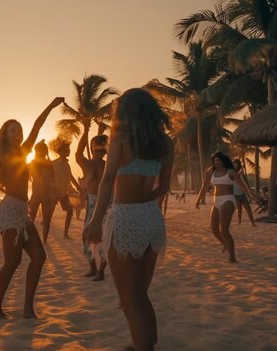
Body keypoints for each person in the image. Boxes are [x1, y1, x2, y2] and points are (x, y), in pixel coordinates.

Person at [85, 89, 174, 350]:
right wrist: (146, 200)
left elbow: (108, 179)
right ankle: (147, 343)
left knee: (129, 300)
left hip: (125, 218)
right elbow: (164, 186)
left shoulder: (120, 138)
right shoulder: (165, 143)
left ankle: (143, 346)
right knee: (140, 294)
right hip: (152, 219)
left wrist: (96, 220)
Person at [0, 97, 64, 319]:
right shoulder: (5, 156)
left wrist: (51, 106)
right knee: (12, 262)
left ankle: (27, 309)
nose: (17, 134)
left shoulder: (22, 151)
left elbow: (36, 126)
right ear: (5, 136)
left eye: (19, 131)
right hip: (10, 213)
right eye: (12, 131)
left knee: (39, 257)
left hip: (21, 213)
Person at [196, 152, 255, 263]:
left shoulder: (231, 172)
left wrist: (250, 195)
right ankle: (226, 245)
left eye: (219, 160)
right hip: (216, 201)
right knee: (214, 229)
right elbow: (204, 186)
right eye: (215, 160)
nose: (217, 162)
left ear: (223, 161)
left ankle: (232, 257)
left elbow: (242, 184)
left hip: (228, 200)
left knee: (224, 230)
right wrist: (198, 200)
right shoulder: (210, 172)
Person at [76, 124, 109, 281]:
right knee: (86, 236)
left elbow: (78, 153)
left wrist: (87, 130)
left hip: (106, 203)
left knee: (105, 237)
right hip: (92, 203)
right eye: (99, 146)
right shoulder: (88, 164)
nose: (102, 149)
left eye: (104, 147)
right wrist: (86, 130)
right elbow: (78, 152)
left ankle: (100, 270)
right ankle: (93, 268)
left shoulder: (107, 164)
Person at [50, 141, 82, 240]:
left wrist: (78, 187)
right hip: (54, 193)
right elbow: (48, 176)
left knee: (70, 210)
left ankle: (65, 234)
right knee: (48, 214)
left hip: (63, 193)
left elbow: (70, 177)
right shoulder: (54, 163)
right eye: (66, 150)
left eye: (68, 150)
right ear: (60, 152)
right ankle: (45, 235)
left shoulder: (67, 165)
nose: (68, 151)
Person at [27, 140, 56, 244]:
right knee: (31, 218)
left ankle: (44, 240)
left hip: (46, 193)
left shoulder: (49, 163)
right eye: (39, 150)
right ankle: (31, 239)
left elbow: (52, 178)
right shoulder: (33, 163)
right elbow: (31, 176)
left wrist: (51, 184)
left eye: (43, 151)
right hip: (37, 193)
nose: (41, 152)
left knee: (46, 218)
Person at [233, 159, 256, 226]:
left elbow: (245, 183)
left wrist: (249, 193)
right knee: (239, 210)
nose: (235, 165)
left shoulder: (241, 172)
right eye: (234, 163)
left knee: (248, 209)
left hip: (242, 194)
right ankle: (239, 222)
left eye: (236, 164)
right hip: (235, 195)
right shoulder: (231, 172)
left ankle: (253, 223)